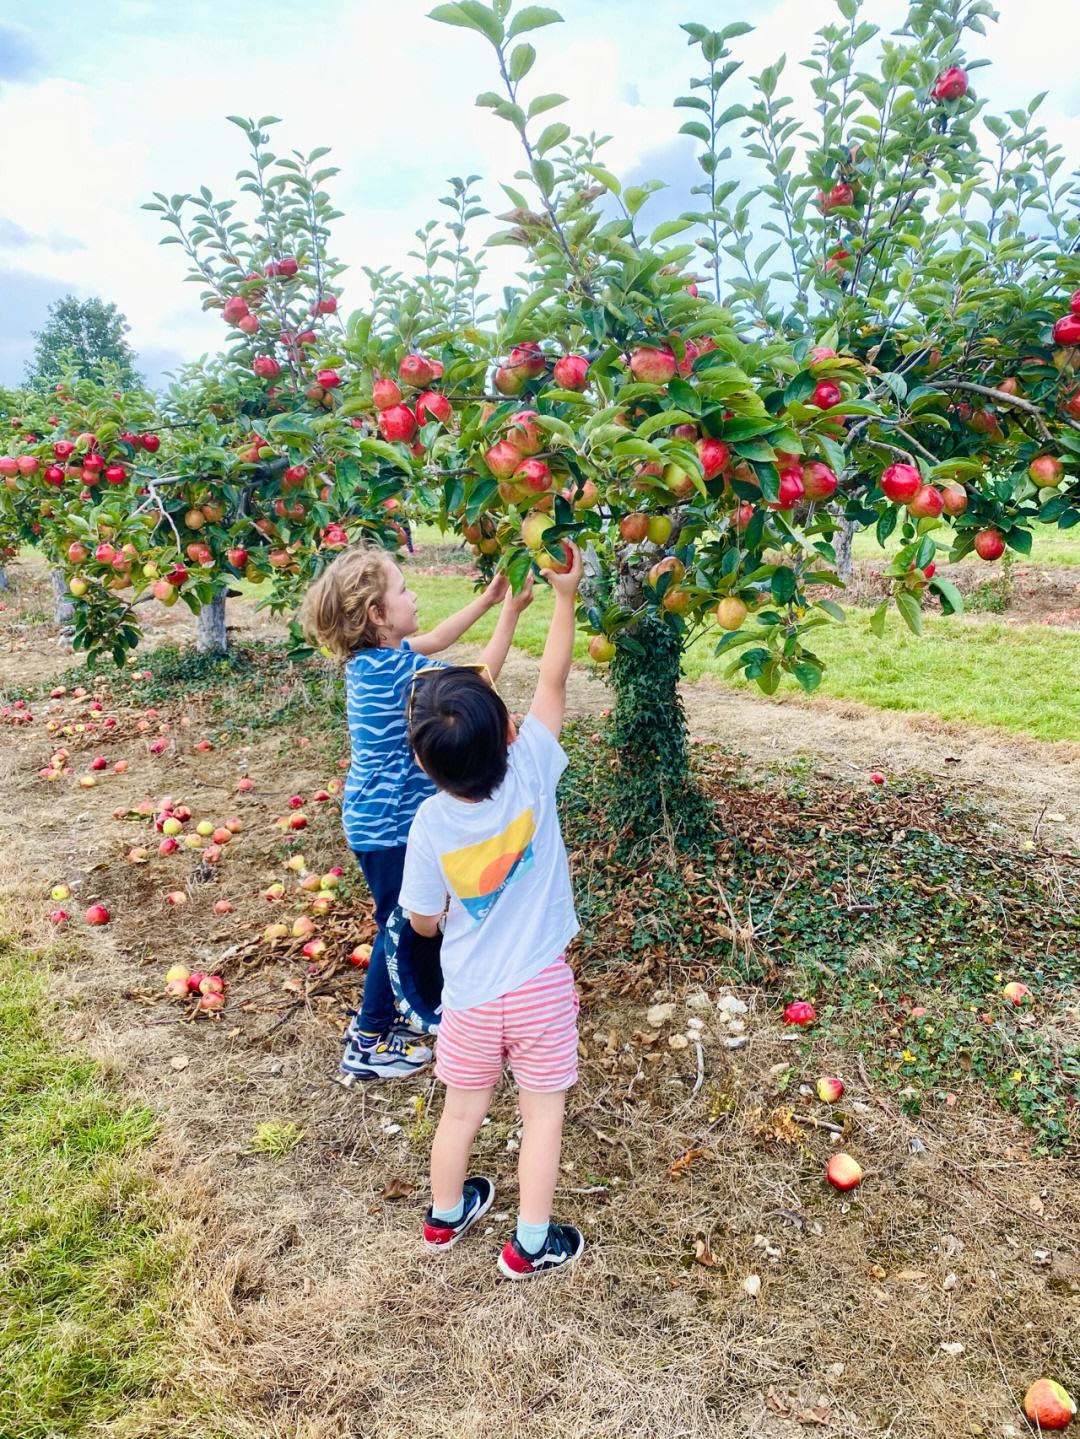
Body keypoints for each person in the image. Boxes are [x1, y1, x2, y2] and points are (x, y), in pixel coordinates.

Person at [399, 544, 585, 1279]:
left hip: (472, 994)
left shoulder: (429, 825)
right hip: (539, 986)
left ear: (423, 763)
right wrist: (564, 598)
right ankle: (530, 1242)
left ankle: (446, 1216)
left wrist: (436, 924)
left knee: (460, 1111)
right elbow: (554, 680)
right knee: (543, 1114)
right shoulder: (533, 766)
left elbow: (420, 921)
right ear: (509, 731)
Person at [300, 544, 533, 1082]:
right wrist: (512, 611)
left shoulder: (375, 661)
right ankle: (370, 1037)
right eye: (402, 589)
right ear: (378, 615)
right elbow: (475, 690)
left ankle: (400, 1016)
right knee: (398, 928)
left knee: (405, 921)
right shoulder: (399, 674)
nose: (414, 594)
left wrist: (486, 598)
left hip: (374, 821)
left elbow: (437, 640)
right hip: (390, 828)